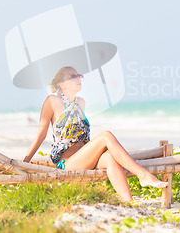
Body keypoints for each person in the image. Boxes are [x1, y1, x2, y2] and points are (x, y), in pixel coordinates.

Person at [24, 66, 168, 202]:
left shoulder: (81, 102)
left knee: (111, 157)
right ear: (61, 83)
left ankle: (129, 202)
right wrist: (24, 164)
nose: (78, 78)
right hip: (68, 164)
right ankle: (143, 175)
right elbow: (41, 136)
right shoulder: (52, 101)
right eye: (73, 76)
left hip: (87, 160)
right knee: (106, 135)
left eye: (79, 75)